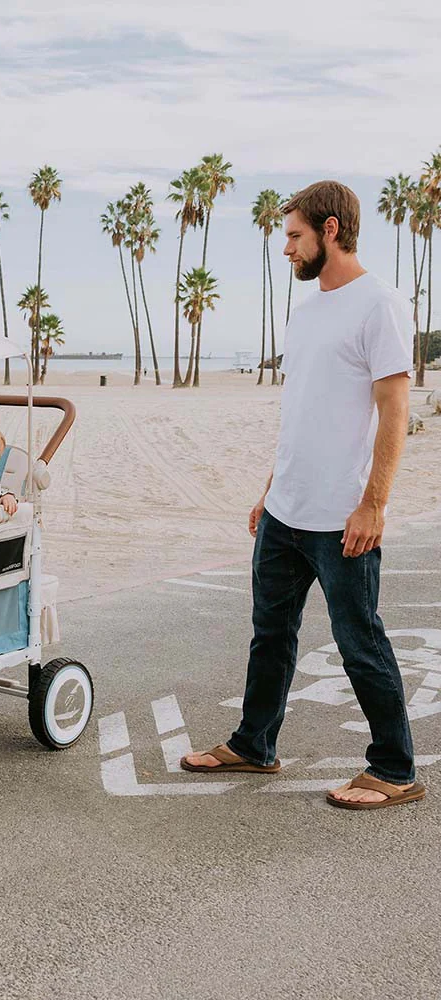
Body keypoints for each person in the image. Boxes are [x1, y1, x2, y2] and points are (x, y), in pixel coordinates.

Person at [181, 180, 424, 810]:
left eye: (294, 236)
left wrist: (374, 504)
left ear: (330, 230)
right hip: (286, 509)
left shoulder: (380, 303)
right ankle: (254, 744)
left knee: (359, 642)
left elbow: (394, 409)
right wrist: (271, 488)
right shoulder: (308, 310)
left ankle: (395, 770)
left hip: (342, 516)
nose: (286, 248)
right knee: (270, 634)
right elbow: (303, 411)